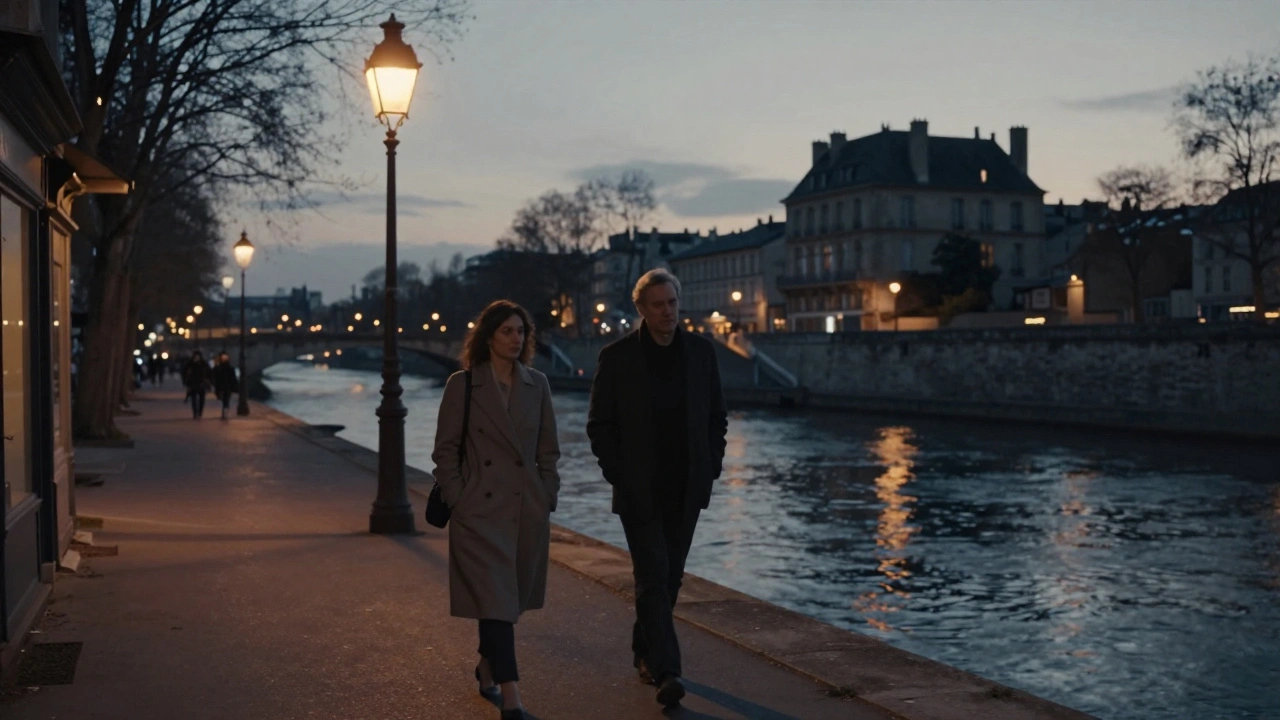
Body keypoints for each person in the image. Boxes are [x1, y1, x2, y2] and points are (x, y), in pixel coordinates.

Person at [586, 268, 727, 708]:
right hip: (640, 489)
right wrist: (621, 475)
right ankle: (668, 671)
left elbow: (715, 420)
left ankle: (644, 649)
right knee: (651, 578)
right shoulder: (619, 357)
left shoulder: (702, 354)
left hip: (687, 487)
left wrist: (712, 467)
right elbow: (599, 425)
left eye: (672, 303)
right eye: (658, 305)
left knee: (669, 578)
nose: (668, 312)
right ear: (641, 310)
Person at [431, 300, 561, 720]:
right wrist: (459, 497)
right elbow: (445, 450)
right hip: (479, 512)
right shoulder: (463, 385)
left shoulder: (537, 384)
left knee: (505, 603)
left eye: (521, 331)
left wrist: (547, 494)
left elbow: (548, 451)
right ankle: (512, 699)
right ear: (487, 336)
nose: (515, 338)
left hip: (524, 510)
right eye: (506, 330)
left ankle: (487, 668)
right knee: (498, 600)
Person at [182, 351, 210, 419]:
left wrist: (208, 381)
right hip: (193, 383)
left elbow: (209, 372)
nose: (197, 357)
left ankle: (200, 412)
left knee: (201, 399)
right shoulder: (190, 364)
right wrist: (186, 382)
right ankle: (195, 413)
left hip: (201, 383)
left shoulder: (203, 364)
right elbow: (184, 372)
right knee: (194, 399)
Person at [211, 352, 238, 420]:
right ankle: (225, 411)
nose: (224, 359)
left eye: (225, 357)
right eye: (223, 357)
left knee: (226, 400)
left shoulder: (229, 368)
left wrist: (234, 386)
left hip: (226, 386)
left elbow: (233, 378)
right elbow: (213, 376)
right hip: (220, 386)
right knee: (223, 399)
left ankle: (225, 412)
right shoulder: (218, 368)